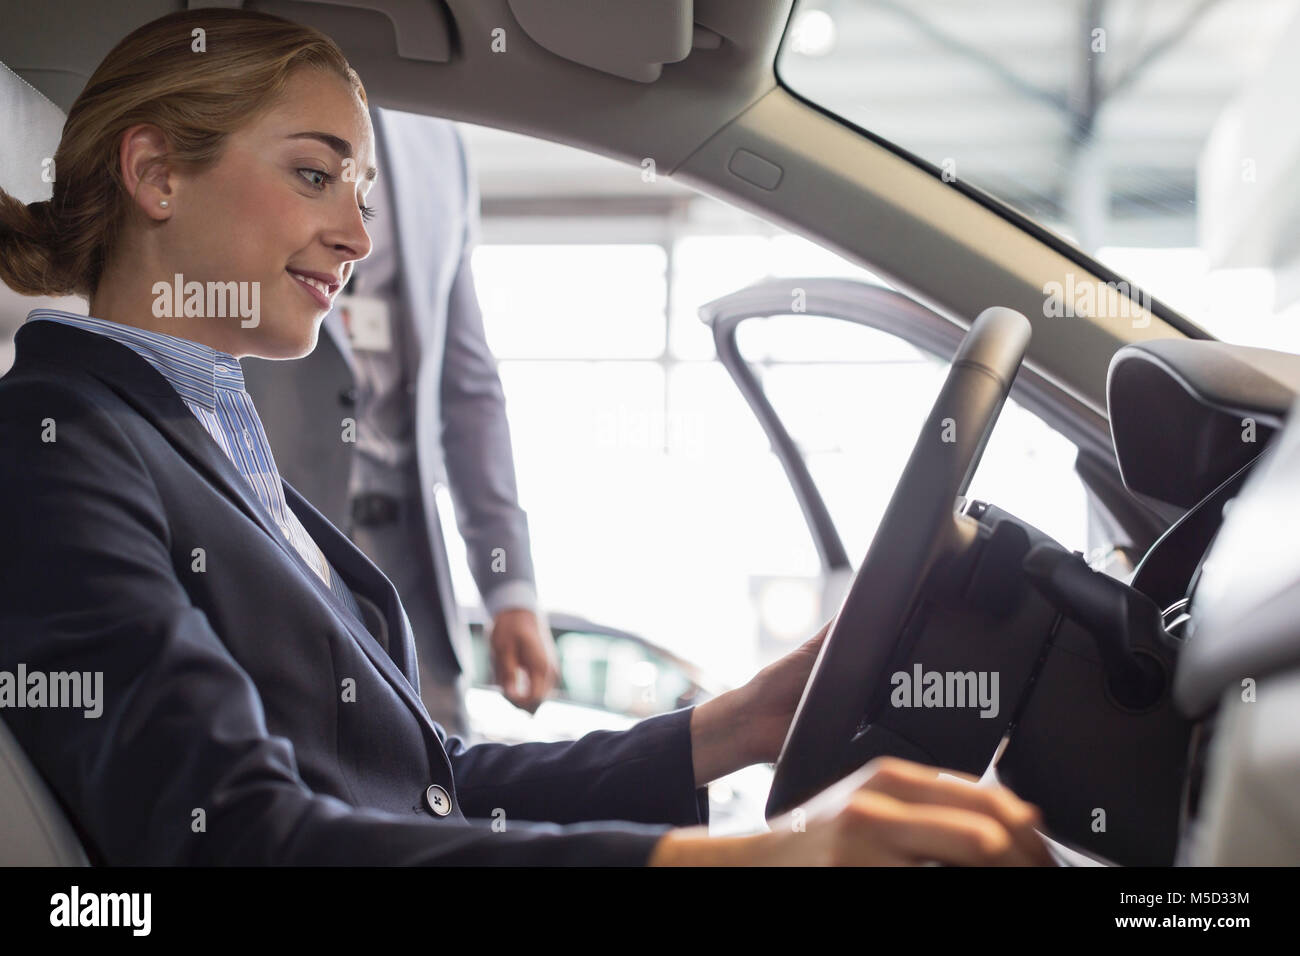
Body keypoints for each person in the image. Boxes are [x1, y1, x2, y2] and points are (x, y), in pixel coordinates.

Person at [0, 8, 1053, 866]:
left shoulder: (199, 437)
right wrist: (757, 861)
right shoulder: (56, 449)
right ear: (156, 174)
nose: (359, 237)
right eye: (316, 175)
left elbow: (431, 784)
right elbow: (236, 838)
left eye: (363, 193)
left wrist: (732, 724)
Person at [240, 105, 552, 738]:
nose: (356, 238)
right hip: (270, 549)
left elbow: (466, 384)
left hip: (407, 572)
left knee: (444, 792)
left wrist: (508, 581)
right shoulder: (248, 88)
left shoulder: (442, 139)